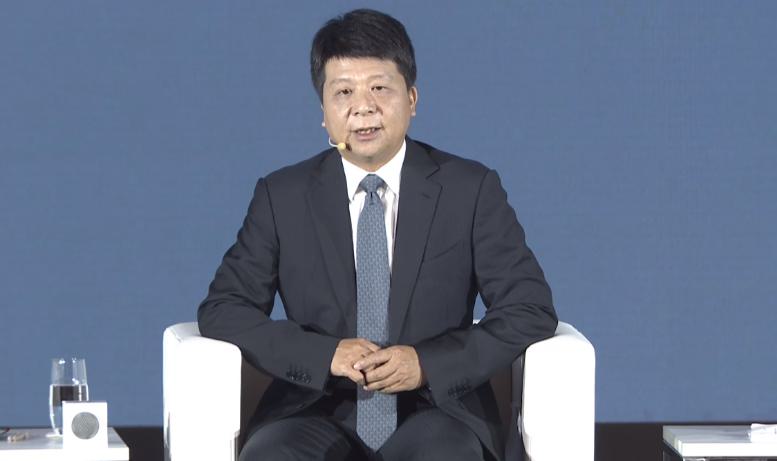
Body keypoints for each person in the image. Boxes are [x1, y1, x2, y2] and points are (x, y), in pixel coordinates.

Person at [198, 8, 557, 461]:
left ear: (412, 98)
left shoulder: (469, 189)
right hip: (316, 408)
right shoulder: (282, 195)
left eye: (380, 88)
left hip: (436, 408)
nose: (363, 107)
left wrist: (426, 364)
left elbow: (529, 309)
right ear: (324, 112)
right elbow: (224, 309)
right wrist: (324, 355)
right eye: (343, 92)